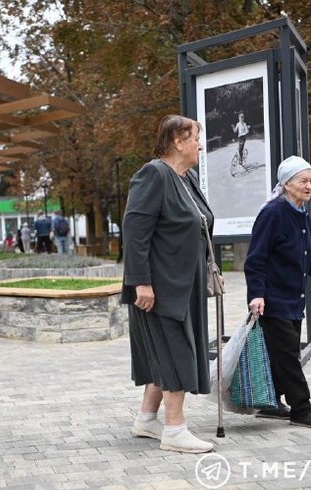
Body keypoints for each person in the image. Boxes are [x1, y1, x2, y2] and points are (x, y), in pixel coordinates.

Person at [121, 114, 215, 454]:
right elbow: (135, 232)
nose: (200, 145)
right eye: (195, 138)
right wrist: (140, 283)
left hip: (184, 284)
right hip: (160, 287)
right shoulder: (154, 174)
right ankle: (174, 429)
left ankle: (147, 419)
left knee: (166, 351)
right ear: (177, 140)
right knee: (178, 352)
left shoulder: (186, 178)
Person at [244, 155, 311, 429]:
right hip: (272, 299)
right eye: (303, 180)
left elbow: (309, 257)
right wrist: (256, 295)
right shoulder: (273, 213)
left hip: (293, 298)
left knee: (282, 354)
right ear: (287, 183)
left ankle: (271, 402)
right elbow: (255, 260)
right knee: (288, 355)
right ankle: (302, 408)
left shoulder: (302, 215)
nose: (309, 186)